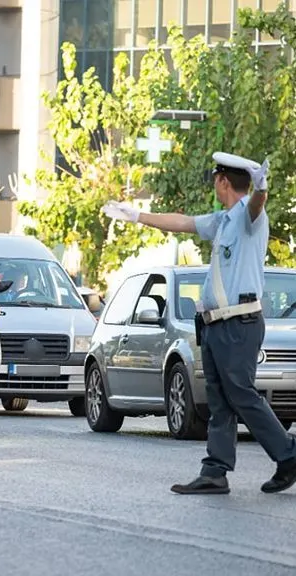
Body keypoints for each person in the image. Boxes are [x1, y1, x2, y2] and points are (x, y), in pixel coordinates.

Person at [103, 151, 296, 495]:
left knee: (241, 394)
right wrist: (137, 216)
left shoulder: (250, 218)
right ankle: (215, 471)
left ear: (224, 181)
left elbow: (256, 205)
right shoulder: (223, 220)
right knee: (220, 399)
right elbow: (182, 221)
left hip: (239, 323)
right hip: (215, 326)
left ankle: (288, 454)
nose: (215, 188)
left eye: (216, 182)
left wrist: (262, 187)